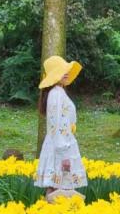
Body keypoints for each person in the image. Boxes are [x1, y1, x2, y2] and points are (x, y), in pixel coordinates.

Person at [36, 55, 87, 194]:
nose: (65, 73)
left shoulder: (57, 93)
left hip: (59, 145)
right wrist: (64, 155)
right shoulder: (57, 94)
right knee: (61, 191)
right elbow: (58, 126)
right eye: (60, 71)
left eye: (65, 70)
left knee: (56, 189)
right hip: (61, 147)